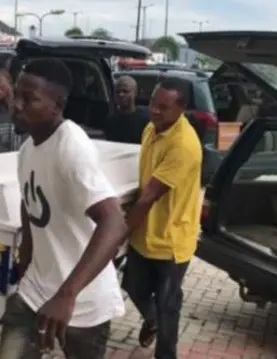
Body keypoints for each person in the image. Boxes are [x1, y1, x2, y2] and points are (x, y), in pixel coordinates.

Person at [0, 58, 127, 359]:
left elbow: (114, 223)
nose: (16, 104)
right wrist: (26, 260)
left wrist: (67, 295)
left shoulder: (71, 147)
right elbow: (29, 203)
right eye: (16, 94)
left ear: (57, 105)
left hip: (82, 303)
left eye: (29, 99)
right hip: (35, 291)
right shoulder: (27, 149)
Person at [123, 78, 203, 359]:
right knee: (132, 286)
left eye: (163, 107)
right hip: (144, 232)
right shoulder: (151, 129)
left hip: (170, 240)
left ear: (181, 108)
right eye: (153, 104)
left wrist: (117, 234)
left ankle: (165, 354)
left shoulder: (183, 145)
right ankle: (153, 320)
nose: (154, 111)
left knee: (169, 303)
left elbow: (148, 197)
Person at [104, 75, 149, 144]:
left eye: (125, 91)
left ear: (135, 93)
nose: (121, 94)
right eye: (117, 92)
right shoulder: (111, 120)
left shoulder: (146, 118)